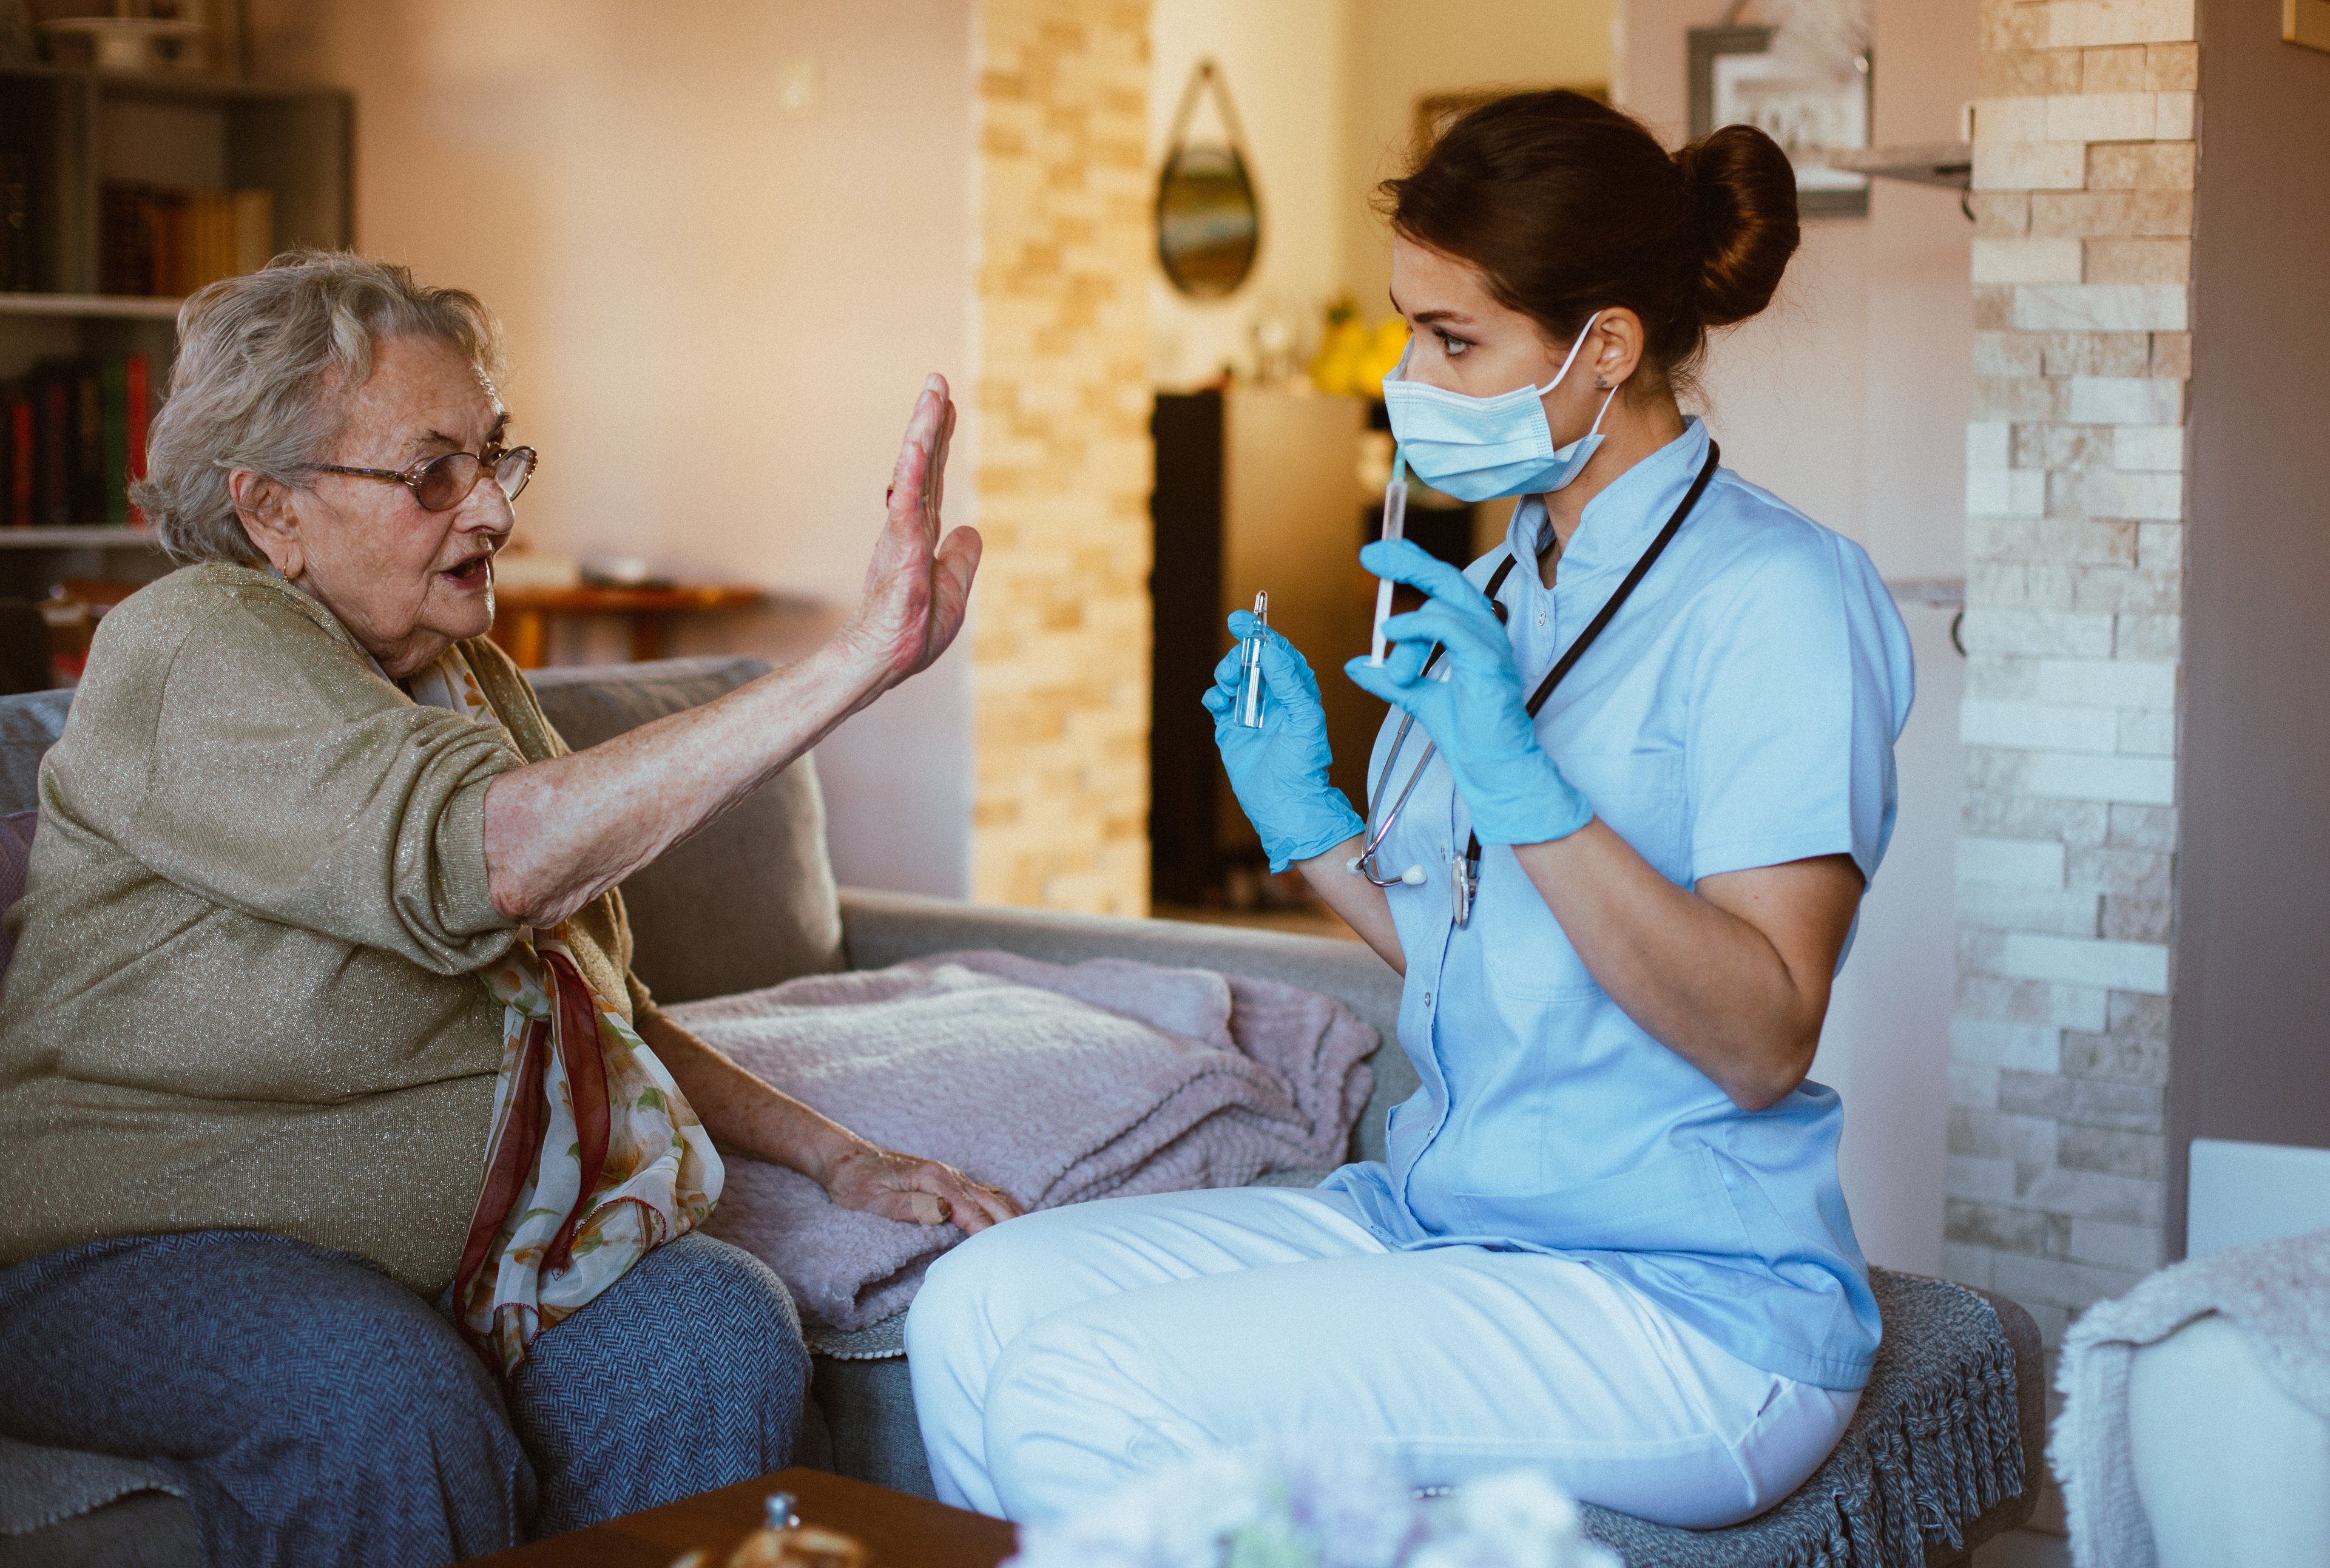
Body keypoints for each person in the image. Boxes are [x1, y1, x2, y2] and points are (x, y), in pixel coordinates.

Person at [907, 91, 1914, 1527]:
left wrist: (1528, 786)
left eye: (1453, 339)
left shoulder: (1779, 599)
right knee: (977, 1307)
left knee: (1087, 1383)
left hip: (1678, 1296)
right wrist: (1311, 828)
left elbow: (1761, 1036)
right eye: (1408, 327)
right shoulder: (1504, 585)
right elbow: (1488, 956)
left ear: (1606, 345)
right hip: (1445, 1220)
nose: (1407, 374)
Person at [0, 251, 1019, 1567]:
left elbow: (588, 1001)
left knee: (711, 1330)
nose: (489, 510)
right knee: (374, 1397)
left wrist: (834, 1153)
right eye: (432, 472)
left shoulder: (468, 678)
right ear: (270, 511)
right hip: (124, 1248)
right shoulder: (194, 644)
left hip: (463, 1259)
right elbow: (485, 861)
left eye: (496, 458)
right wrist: (851, 663)